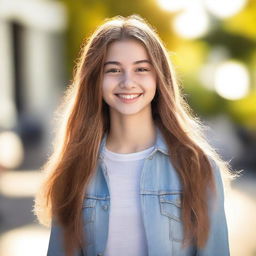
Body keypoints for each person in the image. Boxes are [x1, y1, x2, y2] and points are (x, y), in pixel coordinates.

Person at [34, 15, 233, 256]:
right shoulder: (74, 169)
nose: (128, 82)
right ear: (96, 79)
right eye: (114, 70)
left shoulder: (196, 167)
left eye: (141, 69)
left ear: (159, 78)